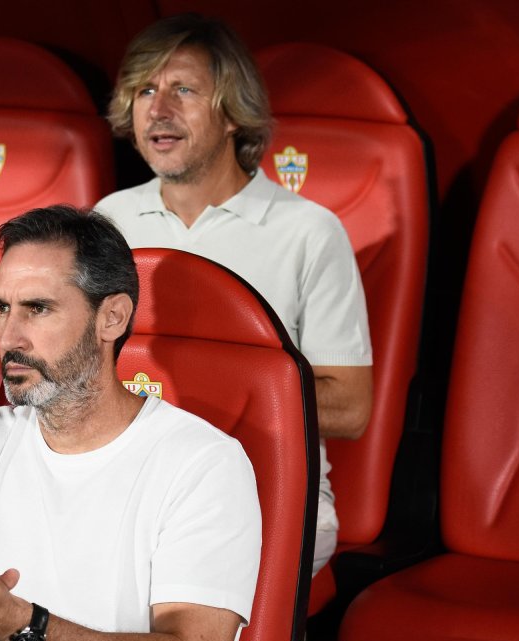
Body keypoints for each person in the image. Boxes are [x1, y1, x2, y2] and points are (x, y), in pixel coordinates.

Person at [0, 205, 260, 641]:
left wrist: (22, 624)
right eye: (2, 308)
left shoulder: (204, 463)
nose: (8, 337)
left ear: (112, 318)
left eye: (37, 308)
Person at [93, 13, 373, 574]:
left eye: (184, 90)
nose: (158, 109)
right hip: (124, 495)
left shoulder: (307, 231)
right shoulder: (110, 220)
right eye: (145, 89)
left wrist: (195, 381)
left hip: (264, 496)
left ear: (231, 115)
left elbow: (349, 407)